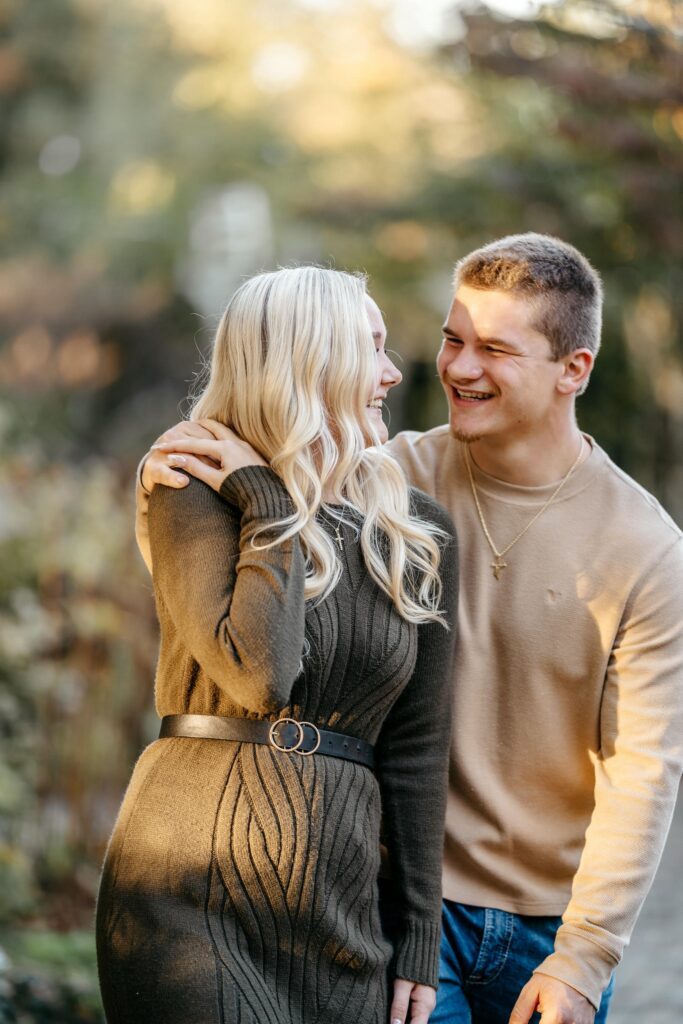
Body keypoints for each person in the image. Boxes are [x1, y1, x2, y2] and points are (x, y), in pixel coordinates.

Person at [136, 234, 683, 1024]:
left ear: (574, 370)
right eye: (451, 340)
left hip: (546, 929)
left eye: (493, 349)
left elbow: (643, 768)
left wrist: (584, 957)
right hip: (393, 907)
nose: (457, 369)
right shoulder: (389, 480)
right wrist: (176, 456)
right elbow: (279, 452)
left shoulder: (645, 546)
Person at [96, 267, 458, 1024]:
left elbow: (417, 749)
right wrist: (266, 496)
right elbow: (260, 675)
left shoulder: (413, 531)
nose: (393, 373)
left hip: (340, 910)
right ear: (311, 360)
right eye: (373, 349)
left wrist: (418, 934)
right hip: (189, 894)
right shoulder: (194, 488)